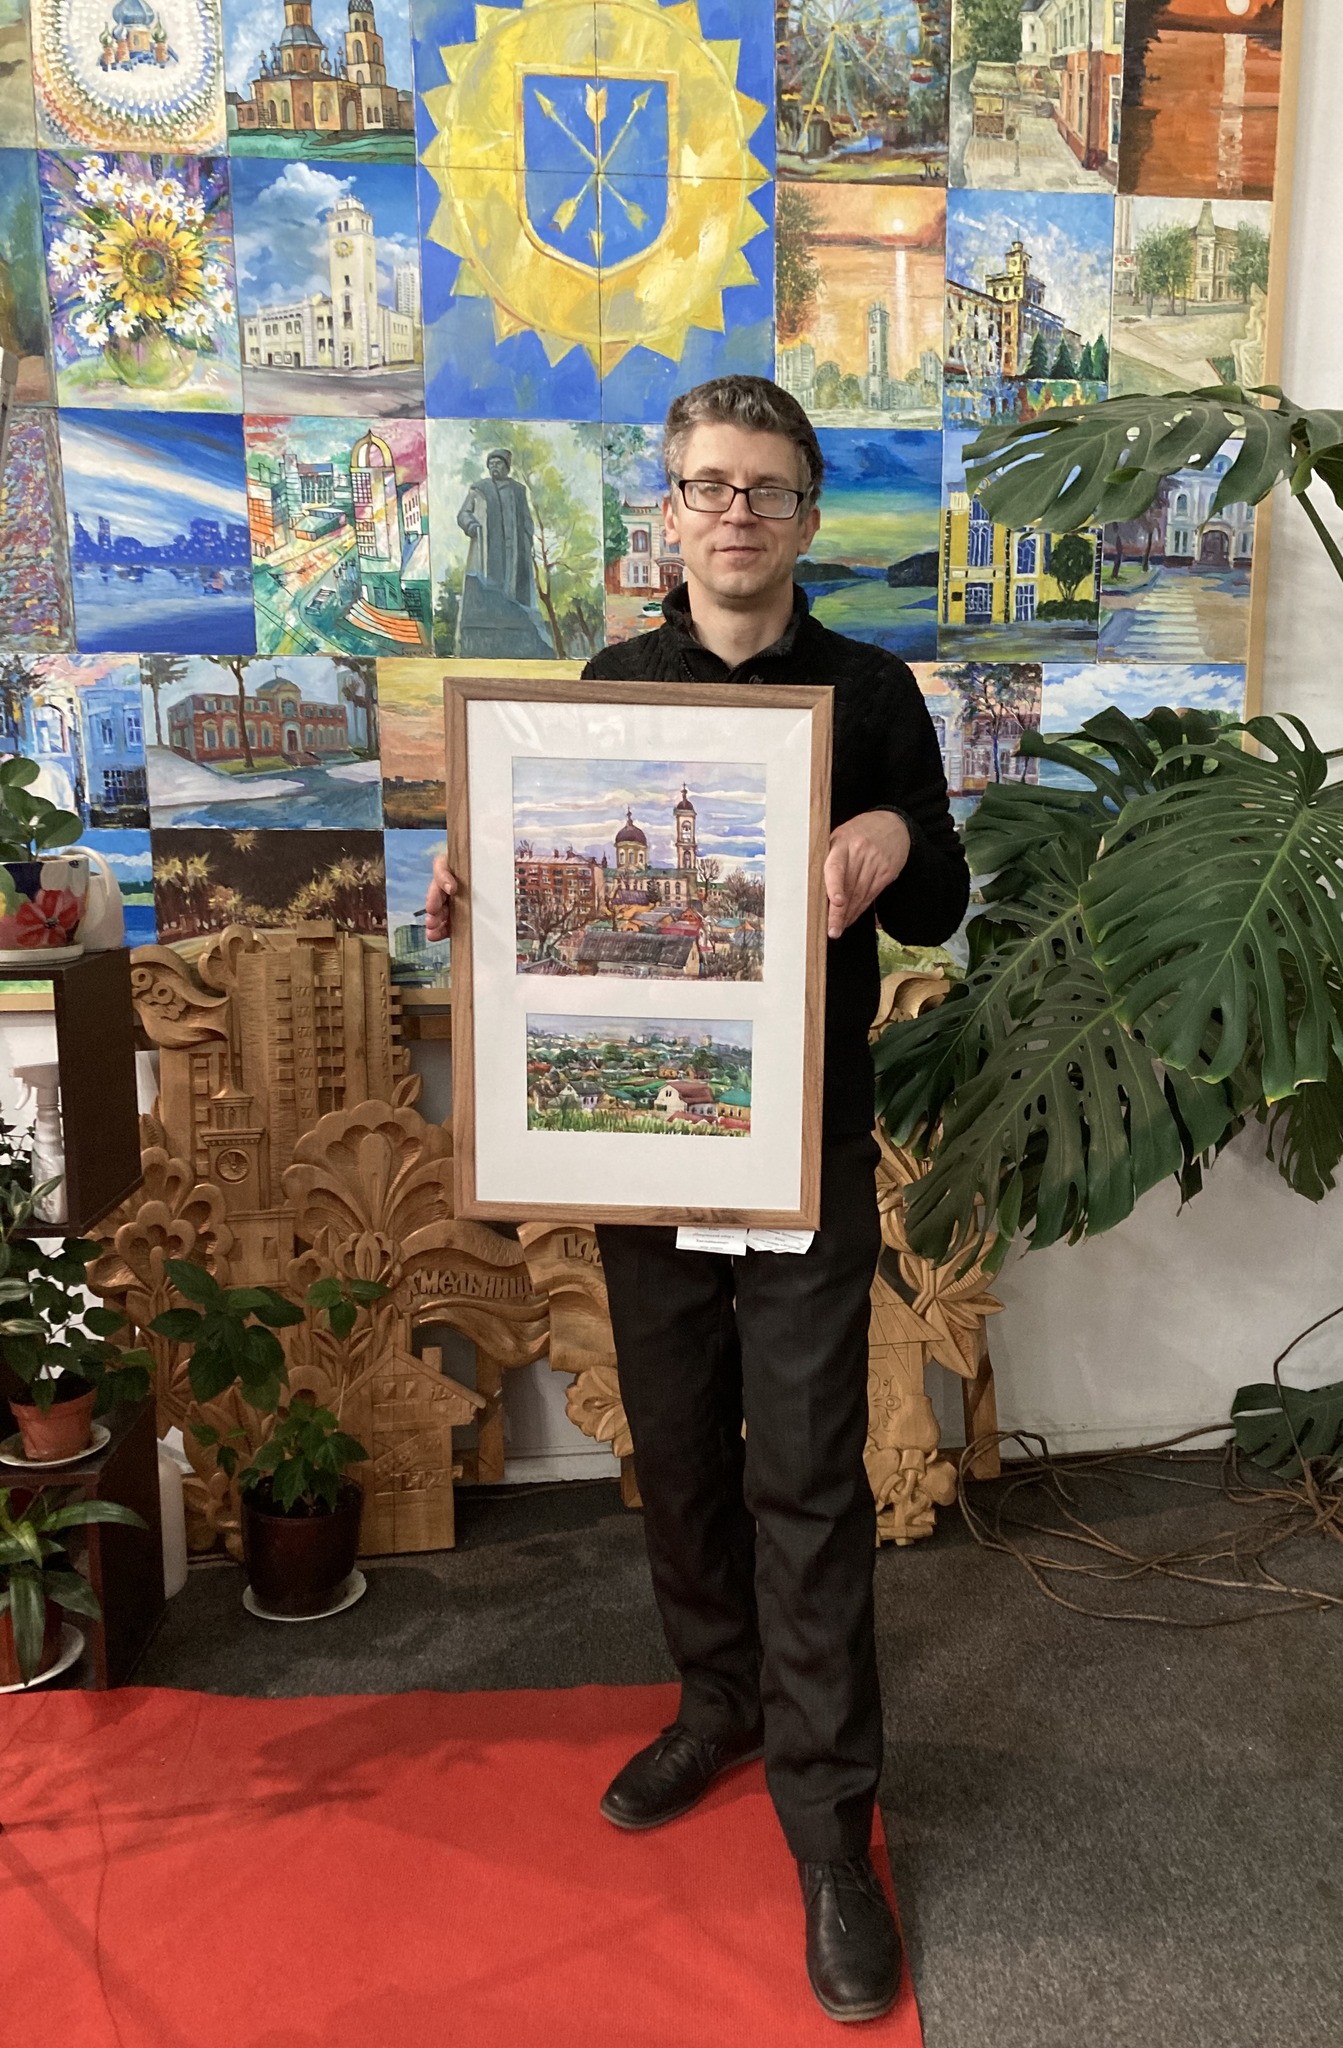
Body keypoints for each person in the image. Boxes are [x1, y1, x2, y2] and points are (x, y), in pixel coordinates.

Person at [427, 376, 969, 2024]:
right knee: (672, 1445)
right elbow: (549, 888)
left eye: (768, 488)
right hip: (645, 1153)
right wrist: (475, 879)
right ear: (667, 514)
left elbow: (939, 894)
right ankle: (717, 1696)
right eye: (708, 487)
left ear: (808, 514)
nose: (737, 513)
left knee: (804, 1469)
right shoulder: (614, 688)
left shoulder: (870, 690)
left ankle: (831, 1821)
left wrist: (886, 836)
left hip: (798, 1149)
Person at [454, 448, 552, 657]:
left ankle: (515, 620)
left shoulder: (518, 490)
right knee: (490, 586)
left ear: (507, 467)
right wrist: (471, 525)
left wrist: (527, 538)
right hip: (489, 549)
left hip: (514, 551)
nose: (494, 467)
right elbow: (463, 513)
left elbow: (526, 518)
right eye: (491, 464)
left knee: (514, 588)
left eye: (498, 463)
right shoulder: (479, 489)